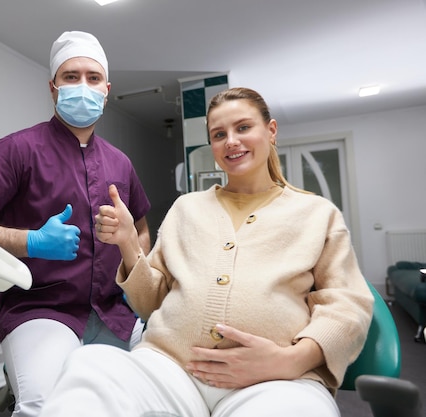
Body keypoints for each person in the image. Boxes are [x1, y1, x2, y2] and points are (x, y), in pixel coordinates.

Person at [38, 87, 374, 417]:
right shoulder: (187, 208)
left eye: (243, 127)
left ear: (270, 131)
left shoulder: (317, 214)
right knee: (88, 366)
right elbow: (151, 303)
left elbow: (348, 306)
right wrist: (128, 243)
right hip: (169, 368)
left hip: (274, 379)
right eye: (218, 134)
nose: (231, 141)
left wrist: (290, 360)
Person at [0, 31, 151, 417]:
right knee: (45, 406)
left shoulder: (120, 162)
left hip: (115, 313)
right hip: (41, 308)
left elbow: (140, 229)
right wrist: (30, 241)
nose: (82, 86)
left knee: (145, 400)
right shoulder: (17, 150)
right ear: (53, 88)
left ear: (107, 89)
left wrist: (129, 246)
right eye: (71, 77)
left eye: (92, 77)